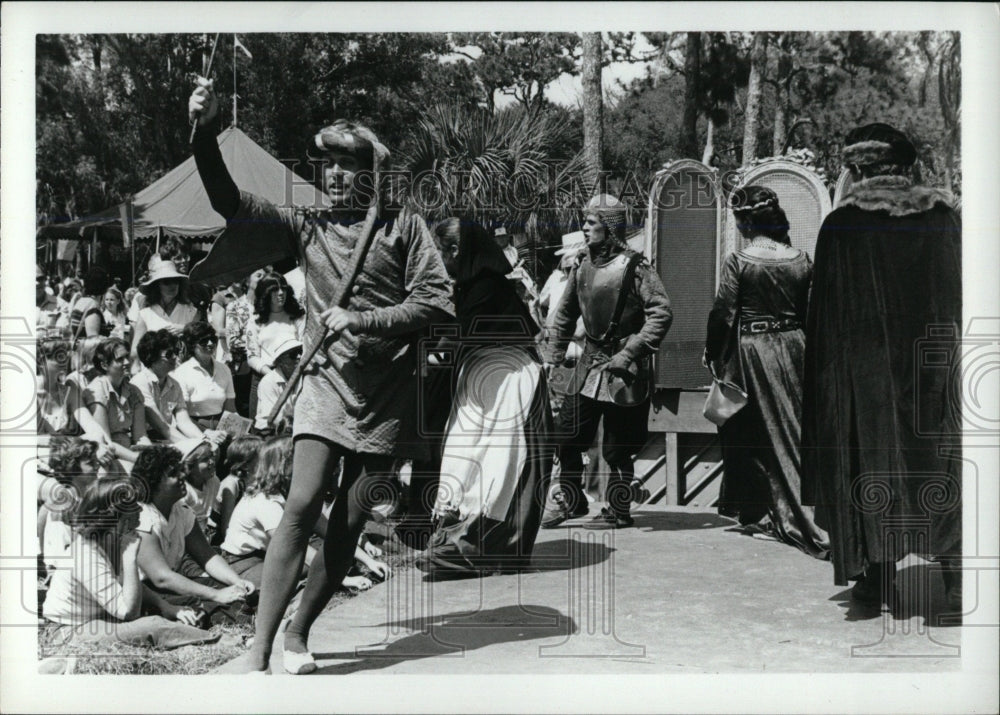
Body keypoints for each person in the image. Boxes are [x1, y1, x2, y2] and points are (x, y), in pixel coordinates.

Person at [188, 78, 453, 673]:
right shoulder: (304, 225)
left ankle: (298, 633)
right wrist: (203, 133)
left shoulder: (403, 226)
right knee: (303, 500)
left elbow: (436, 301)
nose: (333, 174)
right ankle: (258, 650)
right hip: (325, 385)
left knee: (353, 517)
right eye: (327, 163)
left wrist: (363, 318)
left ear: (369, 172)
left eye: (346, 163)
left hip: (385, 394)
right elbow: (229, 201)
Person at [801, 123, 962, 610]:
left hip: (864, 372)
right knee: (944, 458)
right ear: (906, 164)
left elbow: (825, 316)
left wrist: (830, 384)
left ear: (856, 168)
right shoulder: (941, 216)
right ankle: (954, 580)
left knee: (868, 459)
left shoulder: (841, 224)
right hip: (936, 366)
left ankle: (875, 575)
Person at [417, 217, 553, 576]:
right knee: (462, 461)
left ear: (456, 251)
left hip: (509, 385)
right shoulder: (465, 287)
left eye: (439, 253)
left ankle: (483, 549)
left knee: (500, 466)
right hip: (478, 383)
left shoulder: (487, 287)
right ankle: (453, 541)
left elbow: (455, 337)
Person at [705, 185, 829, 559]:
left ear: (747, 221)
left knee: (761, 435)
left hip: (753, 352)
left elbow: (724, 315)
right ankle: (789, 515)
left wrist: (714, 356)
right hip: (797, 348)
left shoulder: (740, 260)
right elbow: (812, 314)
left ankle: (798, 523)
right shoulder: (800, 259)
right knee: (795, 431)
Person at [542, 194, 672, 529]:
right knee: (566, 436)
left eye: (591, 222)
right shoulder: (582, 265)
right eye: (584, 221)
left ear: (610, 226)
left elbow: (661, 313)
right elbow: (566, 314)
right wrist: (553, 356)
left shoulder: (637, 268)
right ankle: (572, 502)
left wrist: (629, 353)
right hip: (588, 365)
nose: (584, 228)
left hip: (623, 370)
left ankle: (618, 511)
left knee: (618, 447)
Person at [42, 477, 219, 649]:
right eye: (133, 507)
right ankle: (218, 641)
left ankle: (191, 630)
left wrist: (168, 608)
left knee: (178, 609)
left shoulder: (111, 540)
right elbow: (128, 612)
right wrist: (130, 557)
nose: (140, 512)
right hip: (67, 631)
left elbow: (130, 586)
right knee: (152, 626)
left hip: (98, 618)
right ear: (116, 516)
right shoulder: (86, 554)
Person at [219, 437, 391, 593]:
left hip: (267, 554)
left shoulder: (291, 492)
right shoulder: (264, 502)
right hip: (242, 563)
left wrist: (369, 561)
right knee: (308, 568)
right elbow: (295, 546)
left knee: (335, 556)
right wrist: (342, 580)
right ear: (282, 467)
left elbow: (330, 530)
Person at [132, 445, 256, 626]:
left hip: (169, 586)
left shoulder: (181, 510)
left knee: (236, 594)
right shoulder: (142, 518)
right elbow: (161, 578)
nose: (183, 475)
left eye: (181, 470)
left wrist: (237, 583)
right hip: (145, 593)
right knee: (202, 607)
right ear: (154, 481)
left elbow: (207, 556)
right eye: (174, 473)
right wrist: (216, 595)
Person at [130, 329, 224, 445]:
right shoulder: (140, 383)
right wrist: (193, 446)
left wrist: (203, 439)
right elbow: (161, 426)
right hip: (145, 440)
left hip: (166, 437)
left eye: (176, 352)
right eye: (169, 354)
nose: (175, 357)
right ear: (152, 357)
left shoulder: (174, 384)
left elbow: (183, 421)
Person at [83, 337, 150, 468]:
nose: (126, 362)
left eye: (127, 357)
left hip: (128, 453)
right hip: (106, 458)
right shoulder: (97, 391)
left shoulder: (134, 391)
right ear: (104, 365)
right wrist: (138, 459)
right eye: (119, 359)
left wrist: (150, 454)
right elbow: (105, 442)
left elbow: (140, 435)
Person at [246, 273, 305, 421]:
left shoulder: (296, 316)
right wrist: (270, 375)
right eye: (275, 290)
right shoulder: (256, 320)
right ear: (265, 294)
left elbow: (305, 345)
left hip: (294, 376)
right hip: (264, 376)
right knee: (261, 424)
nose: (280, 294)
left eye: (283, 289)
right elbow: (252, 356)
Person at [129, 258, 200, 365]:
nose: (172, 286)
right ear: (157, 286)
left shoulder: (191, 311)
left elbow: (201, 341)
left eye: (175, 281)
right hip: (154, 372)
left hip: (184, 373)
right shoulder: (146, 314)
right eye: (166, 282)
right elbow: (135, 350)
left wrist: (185, 329)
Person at [171, 321, 237, 430]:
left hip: (222, 427)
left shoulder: (224, 369)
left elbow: (230, 409)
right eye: (204, 341)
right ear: (192, 345)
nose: (210, 344)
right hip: (194, 428)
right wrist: (207, 433)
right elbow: (181, 416)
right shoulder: (181, 373)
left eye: (213, 339)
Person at [211, 434, 264, 546]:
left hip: (239, 530)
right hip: (218, 536)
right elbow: (226, 527)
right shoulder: (231, 484)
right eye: (262, 459)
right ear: (245, 465)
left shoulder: (253, 480)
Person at [226, 270, 265, 417]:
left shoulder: (270, 307)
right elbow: (233, 341)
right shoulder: (235, 307)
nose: (263, 279)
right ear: (247, 281)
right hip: (243, 367)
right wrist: (257, 343)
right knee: (244, 409)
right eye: (258, 275)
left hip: (266, 365)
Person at [253, 338, 302, 432]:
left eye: (300, 351)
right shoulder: (268, 382)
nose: (299, 356)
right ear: (280, 361)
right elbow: (271, 419)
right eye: (293, 354)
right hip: (271, 431)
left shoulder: (305, 377)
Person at [177, 437, 221, 535]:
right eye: (205, 459)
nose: (212, 462)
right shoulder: (183, 491)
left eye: (211, 456)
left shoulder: (213, 482)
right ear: (189, 467)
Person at [69, 267, 111, 340]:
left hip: (79, 348)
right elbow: (92, 339)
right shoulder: (93, 306)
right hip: (87, 350)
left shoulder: (81, 301)